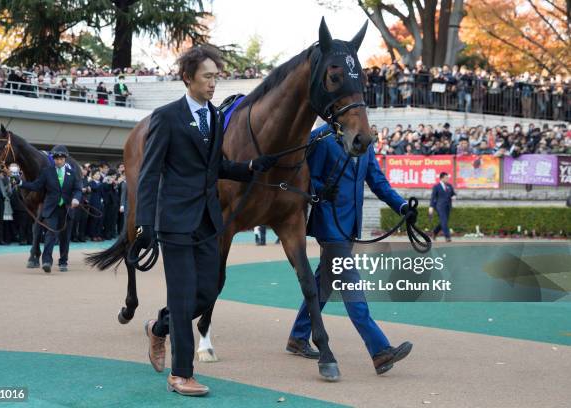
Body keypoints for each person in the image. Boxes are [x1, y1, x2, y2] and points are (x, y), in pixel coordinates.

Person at [133, 46, 277, 396]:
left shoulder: (214, 116)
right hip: (175, 222)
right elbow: (149, 175)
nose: (214, 83)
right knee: (183, 298)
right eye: (208, 77)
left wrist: (249, 169)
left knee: (209, 291)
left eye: (216, 77)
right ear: (188, 78)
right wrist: (144, 225)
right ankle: (180, 374)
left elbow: (215, 168)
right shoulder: (165, 117)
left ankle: (158, 327)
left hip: (208, 220)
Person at [286, 123, 414, 376]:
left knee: (324, 282)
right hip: (330, 224)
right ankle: (379, 350)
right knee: (351, 285)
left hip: (350, 226)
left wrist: (401, 207)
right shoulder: (323, 140)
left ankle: (298, 336)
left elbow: (377, 180)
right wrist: (321, 190)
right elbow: (308, 177)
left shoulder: (364, 142)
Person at [16, 145, 82, 272]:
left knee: (65, 236)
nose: (58, 160)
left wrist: (76, 198)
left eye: (61, 158)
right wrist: (20, 183)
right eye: (56, 158)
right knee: (50, 234)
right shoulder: (47, 172)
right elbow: (36, 185)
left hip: (67, 208)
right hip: (51, 208)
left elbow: (78, 189)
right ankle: (47, 261)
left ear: (65, 159)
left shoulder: (72, 174)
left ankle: (63, 261)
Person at [429, 172, 456, 242]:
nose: (447, 179)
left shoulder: (449, 186)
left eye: (448, 178)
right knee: (444, 220)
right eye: (446, 178)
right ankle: (447, 237)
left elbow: (453, 194)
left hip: (448, 206)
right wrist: (431, 207)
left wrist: (454, 196)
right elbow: (433, 197)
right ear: (441, 178)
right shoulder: (436, 187)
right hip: (439, 206)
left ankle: (434, 232)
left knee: (444, 221)